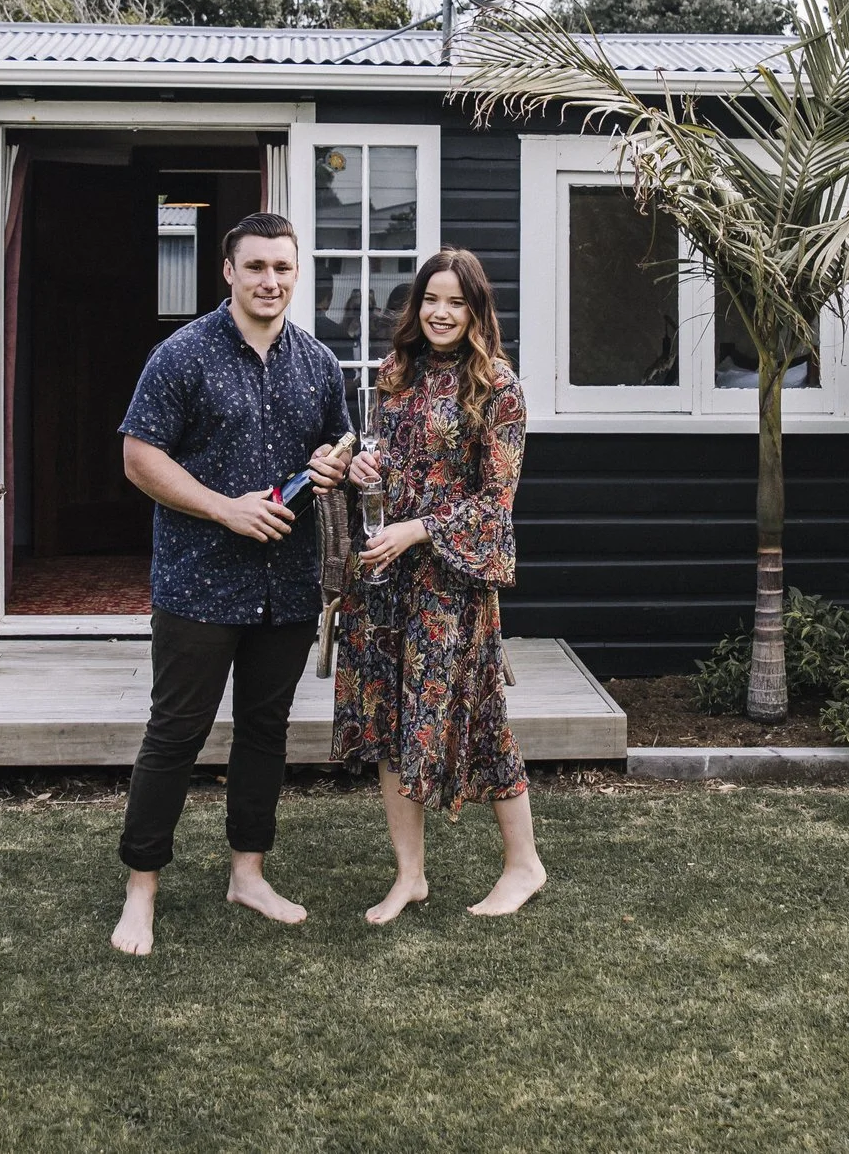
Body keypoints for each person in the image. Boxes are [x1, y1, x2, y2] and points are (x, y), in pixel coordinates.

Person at [109, 210, 351, 957]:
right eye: (256, 267)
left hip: (287, 585)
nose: (270, 280)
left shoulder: (320, 364)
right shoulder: (181, 355)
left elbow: (336, 447)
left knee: (264, 732)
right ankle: (141, 889)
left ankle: (249, 874)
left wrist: (337, 464)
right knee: (176, 733)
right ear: (229, 271)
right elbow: (139, 457)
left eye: (282, 267)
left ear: (297, 272)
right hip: (199, 582)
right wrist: (224, 508)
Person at [334, 247, 546, 921]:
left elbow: (496, 504)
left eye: (456, 301)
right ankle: (410, 876)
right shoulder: (395, 374)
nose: (441, 312)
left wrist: (419, 529)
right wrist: (363, 469)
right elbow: (384, 460)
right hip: (384, 577)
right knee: (390, 720)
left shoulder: (500, 387)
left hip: (451, 585)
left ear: (476, 309)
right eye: (431, 299)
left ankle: (524, 864)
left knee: (482, 716)